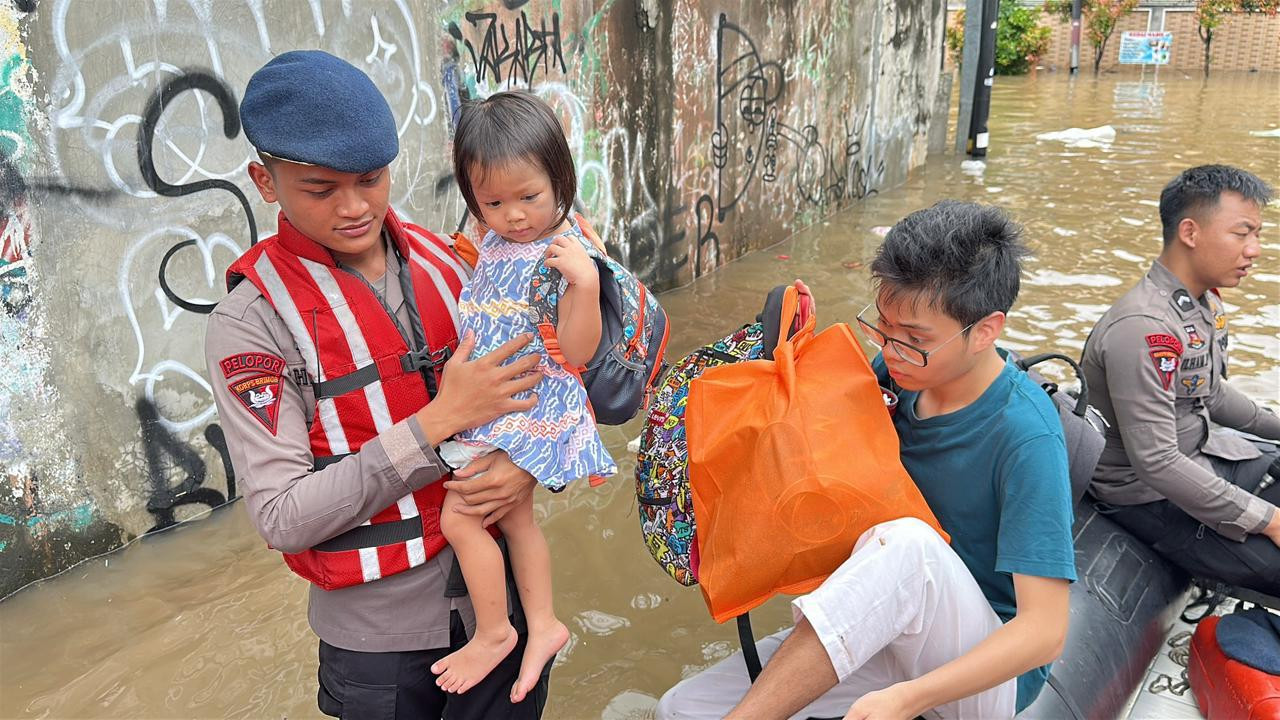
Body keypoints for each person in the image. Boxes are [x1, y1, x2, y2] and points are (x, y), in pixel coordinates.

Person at [205, 51, 569, 719]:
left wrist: (527, 470)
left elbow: (551, 386)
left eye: (371, 180)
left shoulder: (455, 261)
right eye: (320, 188)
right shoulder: (252, 324)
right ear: (264, 179)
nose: (353, 207)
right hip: (382, 653)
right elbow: (282, 516)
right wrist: (433, 426)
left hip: (506, 613)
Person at [658, 201, 1075, 719]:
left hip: (982, 672)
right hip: (889, 625)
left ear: (986, 330)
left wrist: (907, 699)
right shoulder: (895, 374)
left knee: (907, 543)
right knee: (682, 707)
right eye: (883, 326)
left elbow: (1044, 632)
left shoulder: (1026, 435)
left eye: (915, 340)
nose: (893, 350)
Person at [427, 91, 616, 702]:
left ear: (559, 179)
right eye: (492, 202)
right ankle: (545, 626)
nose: (512, 216)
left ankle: (494, 632)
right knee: (515, 517)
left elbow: (579, 349)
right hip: (502, 395)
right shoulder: (497, 239)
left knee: (459, 515)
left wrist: (584, 283)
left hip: (530, 401)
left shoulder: (566, 252)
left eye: (529, 198)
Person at [1081, 164, 1280, 596]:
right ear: (1190, 232)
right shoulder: (1144, 327)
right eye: (1242, 233)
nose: (1255, 250)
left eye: (1258, 234)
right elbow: (1156, 463)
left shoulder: (1201, 303)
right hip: (1148, 495)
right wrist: (1268, 520)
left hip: (1202, 453)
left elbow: (1211, 393)